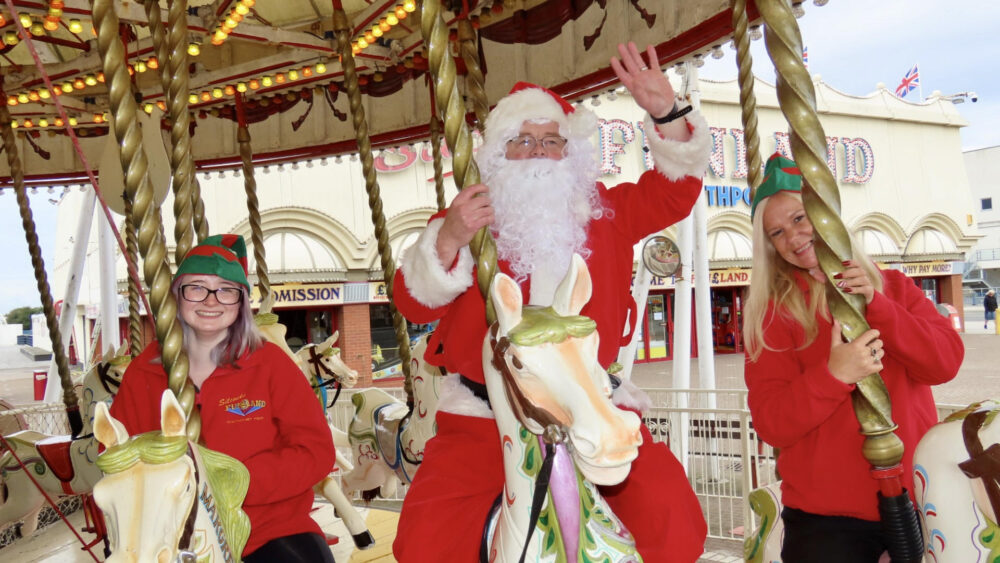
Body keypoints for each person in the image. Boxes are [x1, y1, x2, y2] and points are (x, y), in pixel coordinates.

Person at [392, 42, 710, 562]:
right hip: (485, 414)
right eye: (522, 141)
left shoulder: (606, 212)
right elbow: (414, 305)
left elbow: (675, 192)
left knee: (669, 517)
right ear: (498, 155)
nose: (539, 151)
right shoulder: (470, 222)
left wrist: (665, 112)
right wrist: (448, 238)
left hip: (591, 400)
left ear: (571, 153)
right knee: (426, 541)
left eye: (550, 141)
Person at [742, 154, 964, 562]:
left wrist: (877, 306)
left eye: (799, 218)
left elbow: (945, 362)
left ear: (825, 212)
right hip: (827, 518)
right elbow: (772, 422)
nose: (793, 237)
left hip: (916, 502)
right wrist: (832, 376)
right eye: (776, 232)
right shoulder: (774, 315)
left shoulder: (893, 287)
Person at [109, 234, 336, 562]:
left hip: (267, 527)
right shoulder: (143, 372)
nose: (211, 300)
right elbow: (116, 451)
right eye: (197, 287)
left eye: (226, 290)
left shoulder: (270, 365)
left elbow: (315, 451)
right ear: (176, 297)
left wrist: (238, 482)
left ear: (241, 302)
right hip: (168, 533)